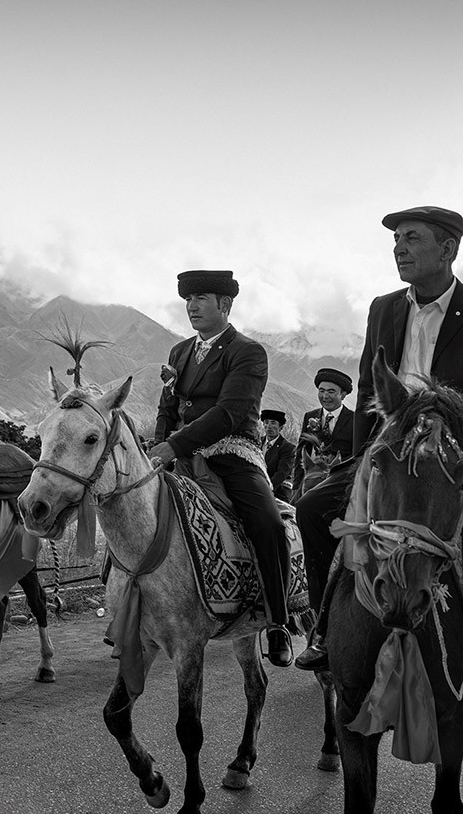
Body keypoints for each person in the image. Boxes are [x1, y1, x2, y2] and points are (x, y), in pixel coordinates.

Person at [295, 205, 463, 671]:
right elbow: (370, 386)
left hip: (449, 453)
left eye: (412, 238)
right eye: (395, 240)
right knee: (312, 509)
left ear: (447, 249)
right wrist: (360, 462)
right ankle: (324, 628)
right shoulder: (383, 307)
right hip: (387, 448)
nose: (399, 248)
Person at [150, 270, 293, 667]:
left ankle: (278, 621)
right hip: (178, 456)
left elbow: (229, 412)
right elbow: (167, 408)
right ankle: (129, 610)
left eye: (201, 299)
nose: (191, 306)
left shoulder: (247, 351)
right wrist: (159, 448)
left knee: (268, 523)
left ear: (225, 305)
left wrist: (173, 444)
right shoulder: (179, 352)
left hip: (232, 452)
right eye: (188, 300)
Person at [291, 369, 354, 498]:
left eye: (331, 392)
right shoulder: (310, 416)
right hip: (313, 481)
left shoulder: (355, 420)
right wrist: (296, 485)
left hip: (343, 483)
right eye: (322, 391)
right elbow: (302, 451)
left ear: (343, 395)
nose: (325, 396)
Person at [261, 409, 296, 502]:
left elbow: (281, 474)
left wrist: (265, 490)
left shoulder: (288, 448)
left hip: (278, 491)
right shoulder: (257, 442)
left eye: (273, 423)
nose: (269, 426)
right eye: (266, 422)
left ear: (281, 427)